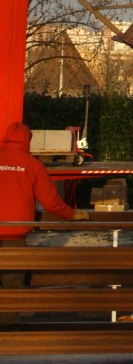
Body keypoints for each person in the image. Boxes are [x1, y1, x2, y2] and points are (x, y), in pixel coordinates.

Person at [0, 121, 90, 326]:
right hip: (14, 237)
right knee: (11, 287)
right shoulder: (32, 165)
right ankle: (7, 335)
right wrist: (73, 215)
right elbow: (51, 203)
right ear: (27, 140)